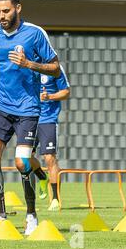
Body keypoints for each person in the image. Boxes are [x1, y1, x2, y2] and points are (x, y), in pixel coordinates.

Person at [0, 0, 60, 235]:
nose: (1, 16)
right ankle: (0, 216)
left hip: (28, 108)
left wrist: (29, 64)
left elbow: (56, 68)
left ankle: (31, 216)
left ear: (18, 8)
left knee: (22, 161)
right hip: (0, 106)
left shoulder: (35, 34)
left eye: (6, 10)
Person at [35, 66, 70, 211]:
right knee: (23, 159)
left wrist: (50, 96)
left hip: (47, 120)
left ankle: (55, 199)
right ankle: (42, 177)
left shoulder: (54, 67)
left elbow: (66, 92)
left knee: (49, 158)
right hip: (27, 117)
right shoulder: (24, 65)